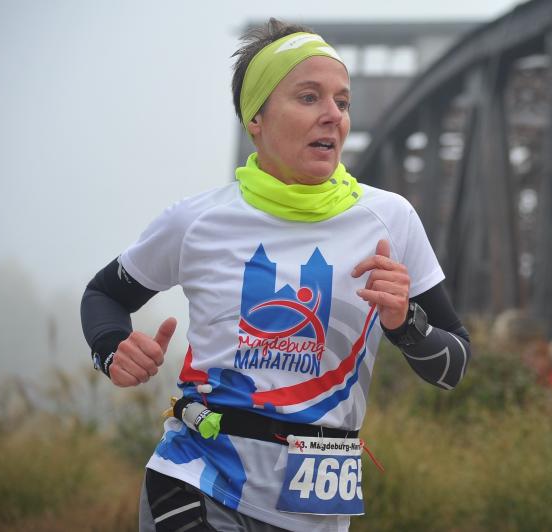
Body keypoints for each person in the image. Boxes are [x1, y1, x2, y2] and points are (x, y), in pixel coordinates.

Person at [80, 18, 471, 532]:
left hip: (316, 510)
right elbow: (103, 294)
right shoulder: (198, 221)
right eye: (309, 97)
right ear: (256, 119)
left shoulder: (389, 219)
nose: (332, 115)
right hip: (198, 480)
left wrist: (406, 322)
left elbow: (453, 369)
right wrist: (113, 349)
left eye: (342, 102)